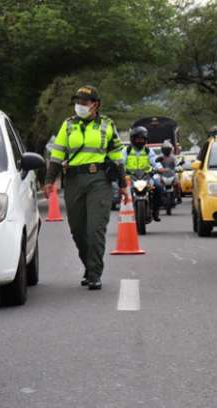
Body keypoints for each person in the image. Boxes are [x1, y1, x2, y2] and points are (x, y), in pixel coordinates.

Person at [44, 85, 128, 290]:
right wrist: (49, 181)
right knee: (78, 230)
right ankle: (89, 266)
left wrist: (123, 184)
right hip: (73, 181)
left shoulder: (107, 125)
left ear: (95, 105)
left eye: (84, 102)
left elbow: (116, 155)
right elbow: (57, 154)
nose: (79, 106)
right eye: (77, 102)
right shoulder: (69, 125)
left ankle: (95, 273)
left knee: (95, 229)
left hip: (99, 181)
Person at [124, 126, 163, 222]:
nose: (140, 141)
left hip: (147, 177)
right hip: (132, 178)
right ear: (133, 139)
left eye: (142, 139)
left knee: (158, 187)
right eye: (138, 139)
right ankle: (125, 212)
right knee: (122, 191)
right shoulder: (126, 151)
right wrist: (120, 169)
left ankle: (155, 211)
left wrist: (159, 168)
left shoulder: (148, 150)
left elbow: (154, 160)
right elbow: (121, 161)